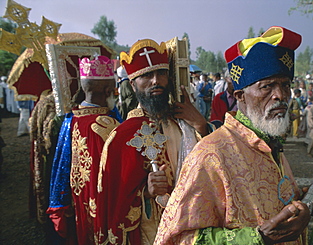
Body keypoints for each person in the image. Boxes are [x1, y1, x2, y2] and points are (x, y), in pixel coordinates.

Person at [155, 26, 313, 245]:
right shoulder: (211, 155)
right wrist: (258, 237)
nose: (280, 96)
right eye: (267, 87)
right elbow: (178, 238)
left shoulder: (268, 140)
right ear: (240, 96)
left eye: (285, 85)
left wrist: (301, 203)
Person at [94, 39, 213, 245]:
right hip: (152, 233)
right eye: (147, 76)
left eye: (161, 73)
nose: (155, 81)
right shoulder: (122, 137)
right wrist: (145, 193)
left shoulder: (184, 123)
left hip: (193, 227)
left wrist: (202, 126)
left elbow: (212, 166)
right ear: (132, 84)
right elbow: (113, 202)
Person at [47, 56, 121, 244]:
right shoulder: (109, 125)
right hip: (105, 203)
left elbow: (61, 164)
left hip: (78, 197)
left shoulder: (70, 120)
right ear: (107, 91)